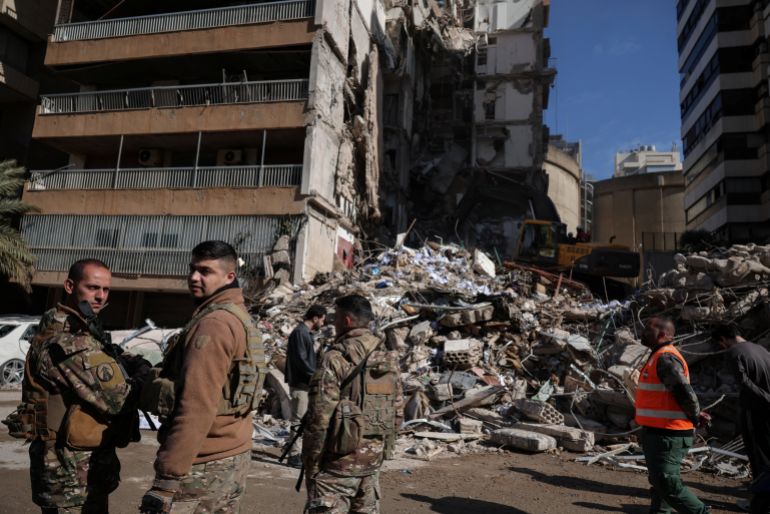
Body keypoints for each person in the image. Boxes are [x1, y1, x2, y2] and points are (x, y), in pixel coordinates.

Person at [4, 258, 151, 513]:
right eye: (92, 287)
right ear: (70, 286)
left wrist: (126, 361)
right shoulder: (67, 342)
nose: (100, 296)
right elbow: (119, 399)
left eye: (105, 290)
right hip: (69, 477)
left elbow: (104, 357)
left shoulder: (76, 328)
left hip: (80, 470)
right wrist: (143, 376)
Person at [139, 241, 266, 514]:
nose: (195, 277)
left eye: (206, 271)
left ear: (229, 276)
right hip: (232, 456)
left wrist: (168, 476)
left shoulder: (214, 324)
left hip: (204, 463)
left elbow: (197, 406)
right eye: (193, 269)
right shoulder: (237, 316)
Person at [302, 294, 401, 513]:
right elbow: (397, 410)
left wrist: (312, 462)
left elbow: (319, 418)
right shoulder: (387, 358)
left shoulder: (335, 358)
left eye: (335, 318)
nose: (332, 323)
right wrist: (383, 452)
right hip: (371, 463)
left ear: (346, 320)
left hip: (337, 465)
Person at [635, 317, 711, 514]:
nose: (642, 332)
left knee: (667, 483)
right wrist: (695, 413)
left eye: (648, 329)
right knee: (660, 483)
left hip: (669, 433)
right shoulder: (658, 355)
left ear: (662, 335)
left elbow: (684, 392)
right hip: (659, 432)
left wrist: (695, 416)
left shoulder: (665, 358)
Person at [713, 324, 770, 514]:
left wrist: (766, 399)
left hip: (756, 411)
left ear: (723, 339)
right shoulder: (761, 349)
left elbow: (745, 383)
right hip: (766, 411)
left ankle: (761, 503)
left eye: (720, 343)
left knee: (759, 458)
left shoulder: (734, 352)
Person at [284, 304, 327, 467]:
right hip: (300, 383)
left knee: (303, 419)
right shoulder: (300, 333)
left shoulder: (305, 333)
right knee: (298, 419)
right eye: (322, 320)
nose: (323, 323)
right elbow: (301, 360)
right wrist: (316, 376)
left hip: (304, 383)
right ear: (315, 318)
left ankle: (295, 451)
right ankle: (293, 455)